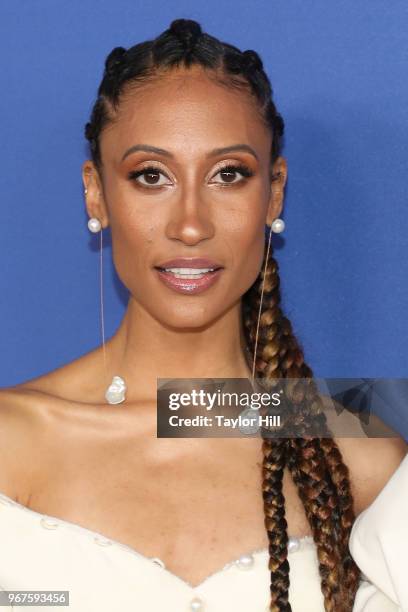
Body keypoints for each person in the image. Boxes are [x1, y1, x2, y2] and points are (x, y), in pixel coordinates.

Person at [0, 17, 406, 612]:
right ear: (96, 193)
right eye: (151, 176)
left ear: (273, 193)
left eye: (228, 175)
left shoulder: (364, 458)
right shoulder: (11, 441)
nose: (190, 225)